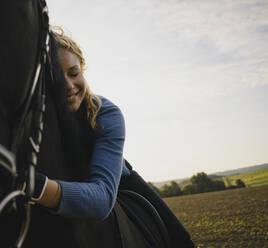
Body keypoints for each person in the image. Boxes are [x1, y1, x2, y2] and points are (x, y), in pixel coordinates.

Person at [31, 27, 194, 247]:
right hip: (54, 187)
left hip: (115, 183)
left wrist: (33, 185)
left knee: (180, 240)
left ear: (83, 69)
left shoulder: (106, 113)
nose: (69, 86)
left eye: (74, 73)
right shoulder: (34, 116)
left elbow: (102, 199)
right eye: (58, 78)